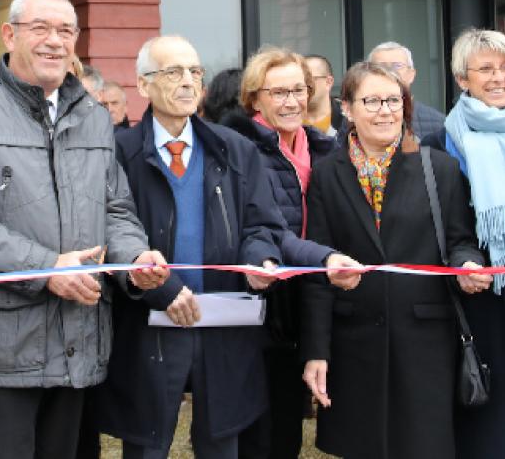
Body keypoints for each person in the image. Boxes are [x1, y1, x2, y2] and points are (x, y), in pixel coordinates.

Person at [0, 0, 169, 459]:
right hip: (0, 350)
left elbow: (115, 209)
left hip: (80, 341)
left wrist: (133, 257)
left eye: (66, 30)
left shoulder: (95, 117)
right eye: (41, 28)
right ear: (9, 35)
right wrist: (46, 268)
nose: (55, 40)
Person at [94, 35, 359, 459]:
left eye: (195, 72)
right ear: (142, 86)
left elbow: (261, 225)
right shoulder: (117, 151)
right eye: (173, 72)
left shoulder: (232, 148)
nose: (187, 82)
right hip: (147, 326)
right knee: (147, 444)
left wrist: (261, 261)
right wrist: (159, 290)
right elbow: (110, 229)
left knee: (223, 444)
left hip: (224, 325)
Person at [301, 61, 491, 459]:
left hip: (425, 342)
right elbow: (318, 270)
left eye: (394, 100)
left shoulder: (438, 168)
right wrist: (316, 351)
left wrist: (467, 266)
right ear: (347, 108)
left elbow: (460, 240)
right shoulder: (326, 174)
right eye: (372, 100)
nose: (385, 110)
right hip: (354, 343)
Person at [221, 47, 339, 459]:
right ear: (255, 98)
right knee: (260, 431)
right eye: (278, 93)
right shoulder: (237, 149)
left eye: (298, 90)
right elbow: (260, 228)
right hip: (261, 300)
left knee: (288, 427)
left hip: (310, 300)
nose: (291, 101)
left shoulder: (325, 150)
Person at [420, 28, 505, 457]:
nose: (498, 77)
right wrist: (465, 265)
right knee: (487, 414)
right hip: (477, 297)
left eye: (504, 67)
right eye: (486, 69)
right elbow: (439, 224)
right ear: (461, 79)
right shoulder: (441, 143)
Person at [368, 40, 446, 140]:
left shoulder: (438, 123)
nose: (389, 72)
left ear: (411, 74)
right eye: (380, 67)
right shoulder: (356, 119)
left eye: (397, 66)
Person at [303, 55, 342, 137]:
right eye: (300, 80)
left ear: (328, 82)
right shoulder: (287, 120)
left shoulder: (349, 119)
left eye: (309, 80)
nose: (303, 85)